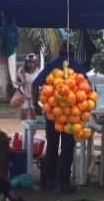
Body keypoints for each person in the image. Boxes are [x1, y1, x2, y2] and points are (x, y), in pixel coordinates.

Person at [33, 52, 90, 193]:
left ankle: (48, 181)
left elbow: (35, 84)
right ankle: (63, 183)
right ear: (72, 53)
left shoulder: (51, 65)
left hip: (52, 115)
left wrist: (35, 104)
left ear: (59, 52)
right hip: (70, 117)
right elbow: (87, 87)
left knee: (52, 148)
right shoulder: (76, 66)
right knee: (67, 149)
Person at [14, 53, 40, 120]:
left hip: (33, 95)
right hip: (24, 95)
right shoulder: (21, 70)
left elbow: (40, 83)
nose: (31, 63)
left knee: (33, 114)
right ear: (26, 62)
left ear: (35, 62)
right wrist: (22, 82)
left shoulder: (38, 71)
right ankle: (23, 130)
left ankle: (33, 130)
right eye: (29, 61)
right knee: (23, 114)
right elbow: (16, 81)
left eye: (33, 62)